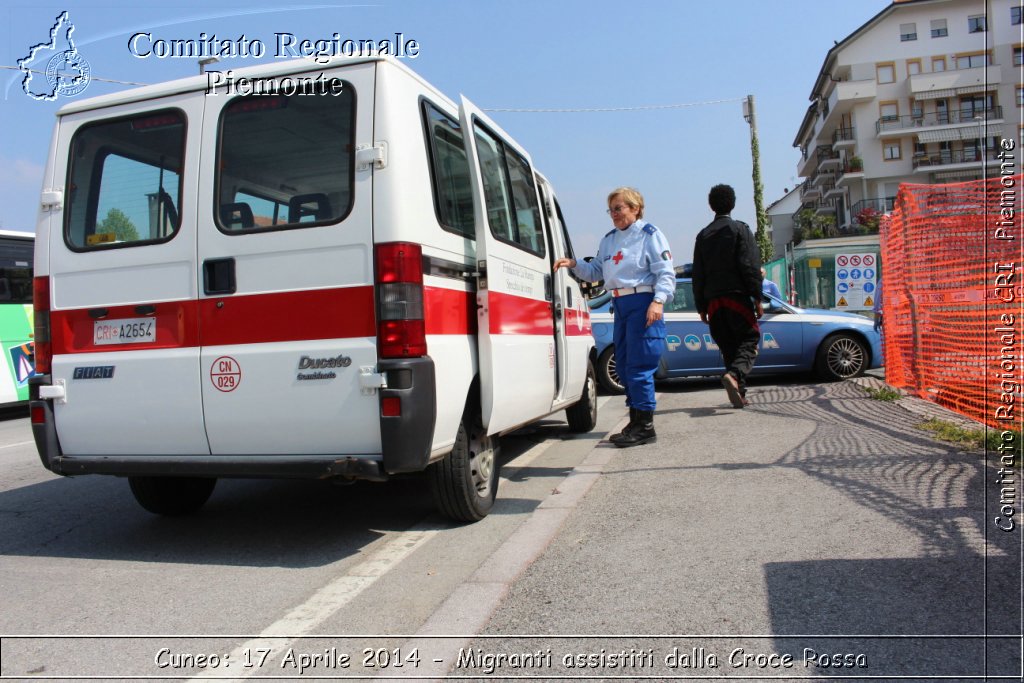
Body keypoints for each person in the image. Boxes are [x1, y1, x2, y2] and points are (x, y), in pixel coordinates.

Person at [553, 187, 674, 447]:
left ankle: (645, 426)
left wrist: (658, 301)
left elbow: (665, 272)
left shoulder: (649, 235)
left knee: (640, 366)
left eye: (619, 208)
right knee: (624, 366)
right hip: (619, 303)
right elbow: (596, 270)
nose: (614, 214)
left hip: (643, 302)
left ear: (636, 208)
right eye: (611, 210)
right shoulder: (608, 240)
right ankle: (635, 420)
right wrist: (574, 265)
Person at [691, 184, 763, 409]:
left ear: (711, 205)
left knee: (729, 347)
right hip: (737, 297)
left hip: (713, 302)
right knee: (749, 340)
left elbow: (698, 274)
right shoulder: (740, 230)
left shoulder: (703, 236)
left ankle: (739, 392)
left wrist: (701, 307)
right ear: (732, 203)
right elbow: (749, 265)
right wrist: (758, 297)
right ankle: (734, 375)